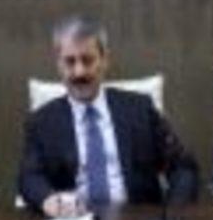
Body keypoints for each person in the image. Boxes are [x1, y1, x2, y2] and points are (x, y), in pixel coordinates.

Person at [18, 15, 199, 216]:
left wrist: (174, 212)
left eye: (87, 60)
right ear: (59, 65)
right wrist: (47, 199)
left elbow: (183, 167)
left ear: (104, 60)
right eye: (70, 62)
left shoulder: (139, 109)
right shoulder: (42, 122)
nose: (79, 72)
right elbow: (29, 177)